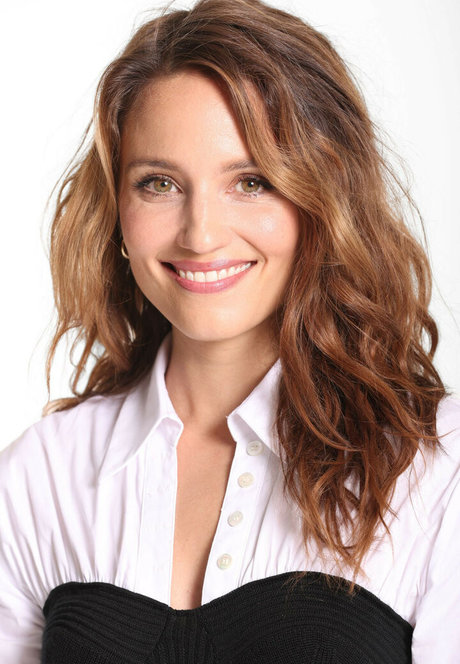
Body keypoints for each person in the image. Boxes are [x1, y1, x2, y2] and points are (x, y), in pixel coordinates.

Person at [1, 0, 459, 661]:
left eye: (251, 181)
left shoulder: (437, 470)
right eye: (159, 183)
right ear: (117, 209)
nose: (201, 235)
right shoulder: (40, 477)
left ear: (326, 200)